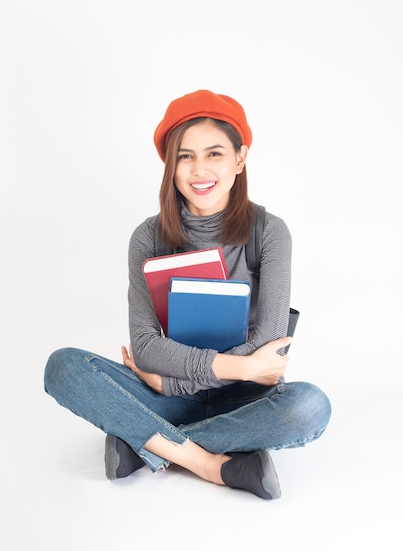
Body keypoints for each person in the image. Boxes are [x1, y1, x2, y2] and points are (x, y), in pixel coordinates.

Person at [44, 89, 331, 500]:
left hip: (244, 400)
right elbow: (145, 348)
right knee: (62, 367)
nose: (200, 169)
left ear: (240, 158)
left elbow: (270, 345)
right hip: (176, 393)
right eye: (185, 156)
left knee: (309, 407)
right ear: (170, 164)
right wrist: (243, 366)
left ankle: (144, 443)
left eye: (214, 153)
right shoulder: (148, 238)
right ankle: (211, 464)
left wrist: (170, 381)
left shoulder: (269, 232)